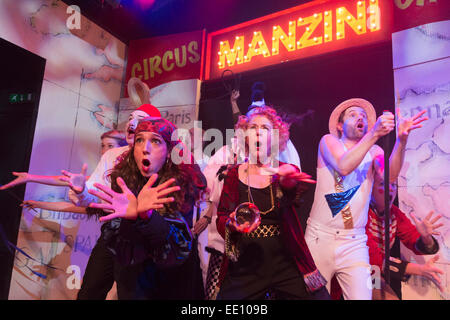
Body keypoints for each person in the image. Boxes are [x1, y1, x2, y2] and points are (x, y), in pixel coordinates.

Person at [304, 98, 428, 300]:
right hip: (320, 238)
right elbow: (344, 166)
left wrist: (401, 140)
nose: (359, 117)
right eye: (352, 115)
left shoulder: (374, 151)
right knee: (316, 297)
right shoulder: (329, 141)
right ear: (339, 125)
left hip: (355, 242)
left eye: (362, 116)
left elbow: (390, 176)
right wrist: (374, 134)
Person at [214, 106, 329, 300]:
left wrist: (288, 183)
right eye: (252, 127)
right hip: (246, 262)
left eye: (265, 128)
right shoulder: (234, 174)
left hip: (284, 260)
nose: (258, 131)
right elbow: (222, 216)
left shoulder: (285, 170)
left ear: (275, 138)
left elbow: (296, 194)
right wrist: (230, 224)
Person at [86, 117, 207, 299]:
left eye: (156, 141)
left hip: (172, 283)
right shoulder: (122, 182)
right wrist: (132, 218)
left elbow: (175, 247)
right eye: (139, 140)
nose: (145, 148)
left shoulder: (181, 185)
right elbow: (121, 248)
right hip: (134, 283)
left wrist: (147, 215)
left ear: (169, 152)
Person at [63, 104, 163, 299]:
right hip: (113, 233)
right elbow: (95, 194)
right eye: (131, 117)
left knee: (131, 294)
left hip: (143, 238)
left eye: (140, 119)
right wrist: (82, 190)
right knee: (89, 291)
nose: (131, 122)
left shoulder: (159, 157)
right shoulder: (113, 156)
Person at [0, 129, 127, 191]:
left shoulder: (128, 176)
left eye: (110, 146)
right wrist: (30, 177)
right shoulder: (104, 175)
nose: (104, 151)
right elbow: (64, 181)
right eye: (102, 146)